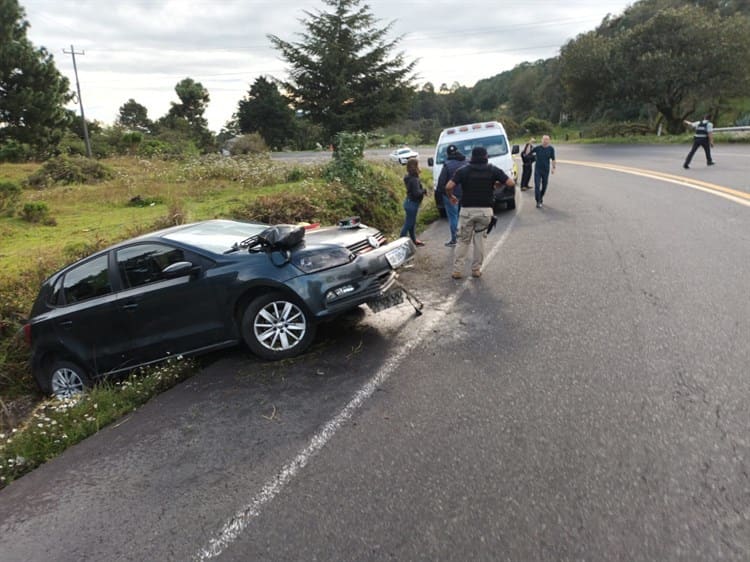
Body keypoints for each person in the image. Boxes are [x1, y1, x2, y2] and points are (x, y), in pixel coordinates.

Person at [445, 146, 514, 279]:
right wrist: (496, 185)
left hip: (467, 211)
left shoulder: (463, 170)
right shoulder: (493, 169)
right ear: (486, 156)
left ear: (472, 157)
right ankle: (476, 270)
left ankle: (457, 270)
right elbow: (510, 183)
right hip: (485, 211)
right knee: (479, 241)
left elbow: (448, 186)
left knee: (463, 241)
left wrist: (451, 196)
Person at [436, 144, 466, 246]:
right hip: (465, 194)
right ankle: (466, 238)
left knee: (453, 217)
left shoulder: (447, 165)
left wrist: (443, 194)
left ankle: (455, 239)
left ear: (448, 154)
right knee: (465, 216)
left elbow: (441, 183)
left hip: (451, 195)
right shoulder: (466, 162)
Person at [400, 158, 426, 246]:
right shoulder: (414, 179)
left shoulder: (409, 177)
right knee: (408, 224)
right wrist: (423, 191)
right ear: (415, 166)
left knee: (411, 223)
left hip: (409, 202)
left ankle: (414, 241)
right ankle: (400, 243)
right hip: (412, 204)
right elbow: (416, 193)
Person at [531, 135, 556, 208]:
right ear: (541, 140)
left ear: (549, 141)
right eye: (544, 139)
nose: (545, 141)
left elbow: (553, 159)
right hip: (538, 170)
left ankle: (541, 196)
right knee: (537, 186)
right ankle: (538, 201)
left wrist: (553, 168)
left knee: (544, 186)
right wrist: (530, 143)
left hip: (546, 170)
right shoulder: (538, 148)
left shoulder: (551, 149)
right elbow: (529, 152)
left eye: (547, 140)